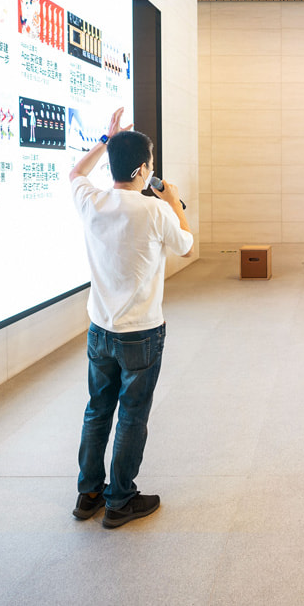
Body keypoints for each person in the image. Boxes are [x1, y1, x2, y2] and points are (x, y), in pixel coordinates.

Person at [69, 108, 194, 528]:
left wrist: (106, 139)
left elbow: (75, 172)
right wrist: (175, 203)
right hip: (140, 333)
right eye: (151, 166)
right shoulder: (155, 212)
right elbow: (188, 245)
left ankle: (89, 494)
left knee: (97, 410)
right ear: (143, 169)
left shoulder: (92, 200)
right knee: (132, 416)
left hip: (99, 329)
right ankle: (120, 499)